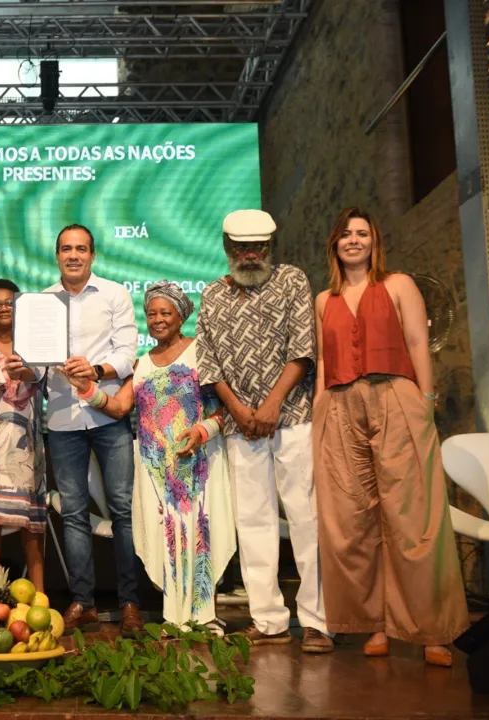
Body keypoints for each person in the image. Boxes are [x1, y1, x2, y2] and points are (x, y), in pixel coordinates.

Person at [313, 207, 469, 667]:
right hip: (341, 403)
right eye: (346, 234)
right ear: (335, 244)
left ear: (374, 242)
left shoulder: (399, 285)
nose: (354, 241)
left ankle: (430, 631)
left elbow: (418, 343)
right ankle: (376, 625)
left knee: (412, 516)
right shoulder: (325, 299)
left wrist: (425, 399)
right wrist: (322, 403)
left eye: (362, 234)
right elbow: (324, 359)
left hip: (396, 395)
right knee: (354, 518)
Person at [58, 282, 237, 632]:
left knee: (204, 533)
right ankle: (176, 618)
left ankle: (207, 615)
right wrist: (86, 389)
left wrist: (201, 433)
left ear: (181, 316)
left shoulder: (201, 354)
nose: (157, 320)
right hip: (159, 474)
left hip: (200, 465)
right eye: (151, 313)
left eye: (165, 313)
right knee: (167, 538)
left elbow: (224, 410)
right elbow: (118, 408)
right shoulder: (140, 364)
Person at [195, 209, 333, 653]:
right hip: (242, 427)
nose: (251, 255)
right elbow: (210, 364)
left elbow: (302, 348)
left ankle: (317, 621)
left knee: (305, 517)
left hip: (291, 417)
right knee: (253, 522)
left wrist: (272, 405)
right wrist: (239, 409)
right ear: (226, 247)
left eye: (259, 247)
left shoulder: (292, 280)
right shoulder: (212, 294)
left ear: (270, 247)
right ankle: (268, 619)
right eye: (242, 247)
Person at [7, 223, 142, 637]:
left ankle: (130, 602)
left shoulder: (115, 294)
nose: (74, 255)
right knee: (74, 515)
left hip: (107, 415)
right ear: (56, 254)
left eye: (81, 249)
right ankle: (82, 601)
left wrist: (96, 370)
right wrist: (23, 368)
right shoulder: (40, 302)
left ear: (93, 255)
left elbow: (128, 352)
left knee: (123, 510)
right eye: (66, 248)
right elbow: (38, 365)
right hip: (63, 420)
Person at [0, 279, 47, 590]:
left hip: (28, 439)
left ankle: (40, 594)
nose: (3, 308)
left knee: (32, 519)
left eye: (9, 303)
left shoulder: (35, 343)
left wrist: (23, 371)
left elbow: (41, 377)